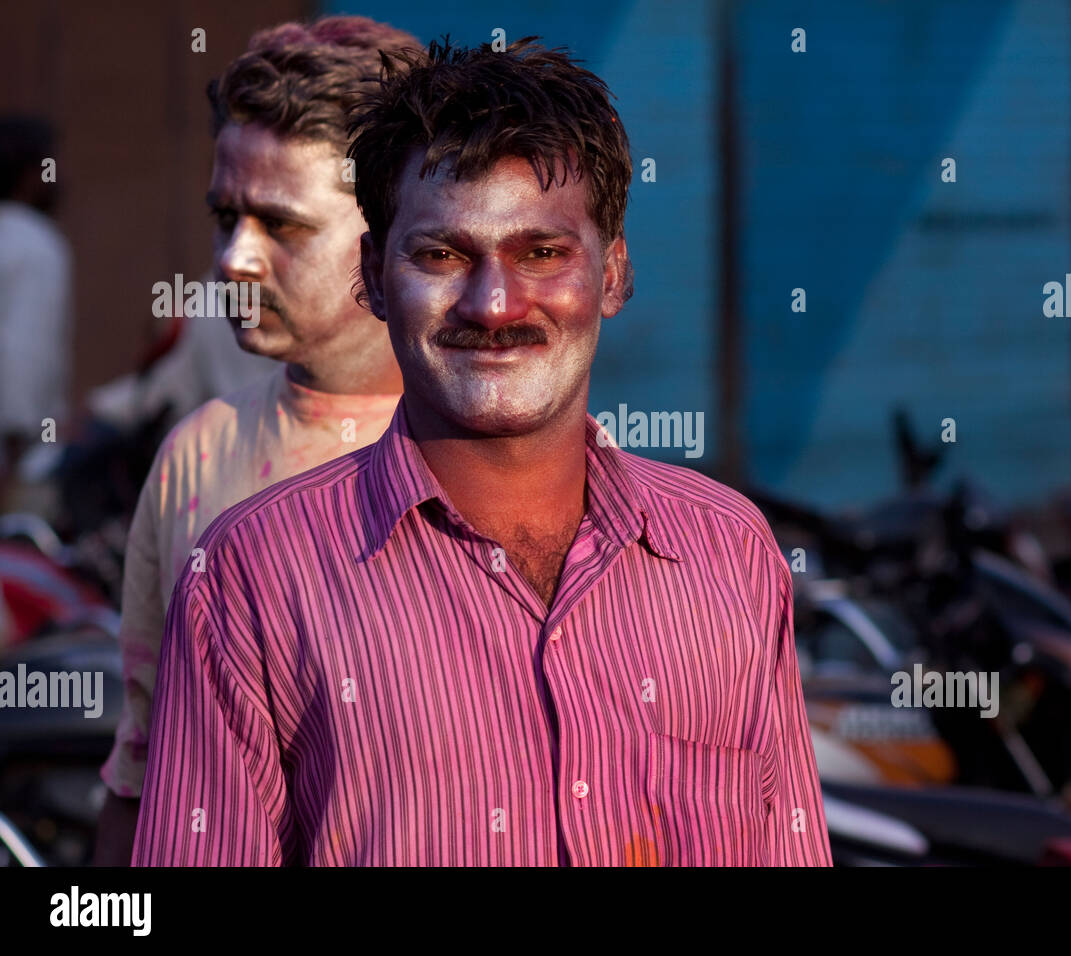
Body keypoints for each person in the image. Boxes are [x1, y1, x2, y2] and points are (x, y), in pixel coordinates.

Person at [133, 36, 831, 866]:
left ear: (612, 274)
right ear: (373, 278)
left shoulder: (730, 552)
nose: (494, 304)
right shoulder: (250, 580)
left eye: (542, 252)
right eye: (441, 254)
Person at [92, 15, 421, 865]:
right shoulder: (197, 451)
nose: (234, 257)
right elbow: (142, 756)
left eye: (282, 225)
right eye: (225, 216)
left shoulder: (498, 460)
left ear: (394, 233)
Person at [0, 116, 71, 498]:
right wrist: (15, 458)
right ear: (30, 175)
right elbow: (20, 356)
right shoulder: (35, 243)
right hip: (23, 463)